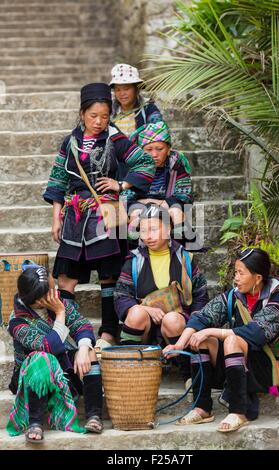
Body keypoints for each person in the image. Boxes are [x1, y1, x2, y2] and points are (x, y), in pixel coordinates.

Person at [43, 82, 156, 349]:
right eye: (93, 116)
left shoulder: (115, 138)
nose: (99, 121)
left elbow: (145, 162)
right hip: (76, 217)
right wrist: (56, 217)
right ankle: (67, 331)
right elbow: (58, 180)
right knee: (66, 278)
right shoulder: (70, 143)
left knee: (108, 276)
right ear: (82, 114)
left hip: (106, 216)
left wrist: (122, 185)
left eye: (105, 116)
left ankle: (108, 332)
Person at [164, 248, 279, 432]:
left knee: (231, 340)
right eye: (235, 272)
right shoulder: (234, 295)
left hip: (268, 366)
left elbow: (256, 333)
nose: (236, 278)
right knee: (201, 340)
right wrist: (179, 344)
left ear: (257, 278)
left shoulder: (276, 298)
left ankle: (239, 411)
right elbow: (202, 317)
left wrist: (211, 331)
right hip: (239, 363)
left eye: (241, 273)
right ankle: (202, 408)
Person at [114, 204, 209, 385]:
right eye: (143, 231)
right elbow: (120, 296)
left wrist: (195, 324)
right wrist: (147, 310)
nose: (147, 236)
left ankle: (188, 373)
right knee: (135, 313)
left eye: (154, 229)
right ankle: (132, 369)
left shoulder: (185, 259)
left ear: (168, 229)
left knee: (172, 319)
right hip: (146, 330)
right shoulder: (135, 261)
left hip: (178, 329)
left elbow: (200, 296)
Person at [6, 265, 103, 443]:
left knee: (89, 352)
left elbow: (83, 326)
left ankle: (94, 416)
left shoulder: (56, 301)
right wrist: (59, 314)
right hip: (31, 377)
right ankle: (34, 422)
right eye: (51, 289)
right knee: (41, 358)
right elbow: (47, 347)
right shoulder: (17, 321)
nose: (55, 291)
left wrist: (82, 348)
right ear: (38, 299)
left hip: (62, 368)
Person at [126, 121, 195, 248]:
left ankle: (178, 251)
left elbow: (184, 195)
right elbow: (126, 196)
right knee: (135, 215)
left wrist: (157, 202)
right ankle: (134, 254)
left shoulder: (177, 163)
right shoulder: (133, 165)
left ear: (168, 149)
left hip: (168, 205)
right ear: (141, 151)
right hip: (138, 207)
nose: (154, 154)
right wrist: (149, 204)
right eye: (148, 149)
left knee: (177, 212)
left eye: (159, 149)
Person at [110, 63, 163, 141]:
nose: (122, 93)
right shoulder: (110, 111)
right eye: (117, 90)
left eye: (126, 89)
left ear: (136, 89)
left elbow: (158, 132)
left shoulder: (148, 109)